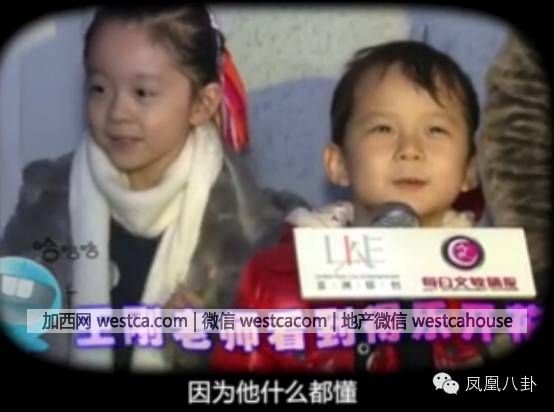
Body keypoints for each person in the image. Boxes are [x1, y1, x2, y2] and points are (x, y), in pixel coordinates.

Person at [0, 5, 298, 373]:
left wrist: (211, 344)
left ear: (202, 104)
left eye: (142, 92)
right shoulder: (43, 206)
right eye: (99, 88)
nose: (117, 112)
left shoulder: (256, 234)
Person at [211, 40, 490, 373]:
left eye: (436, 130)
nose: (410, 149)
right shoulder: (277, 282)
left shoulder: (501, 283)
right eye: (383, 128)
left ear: (470, 170)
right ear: (338, 163)